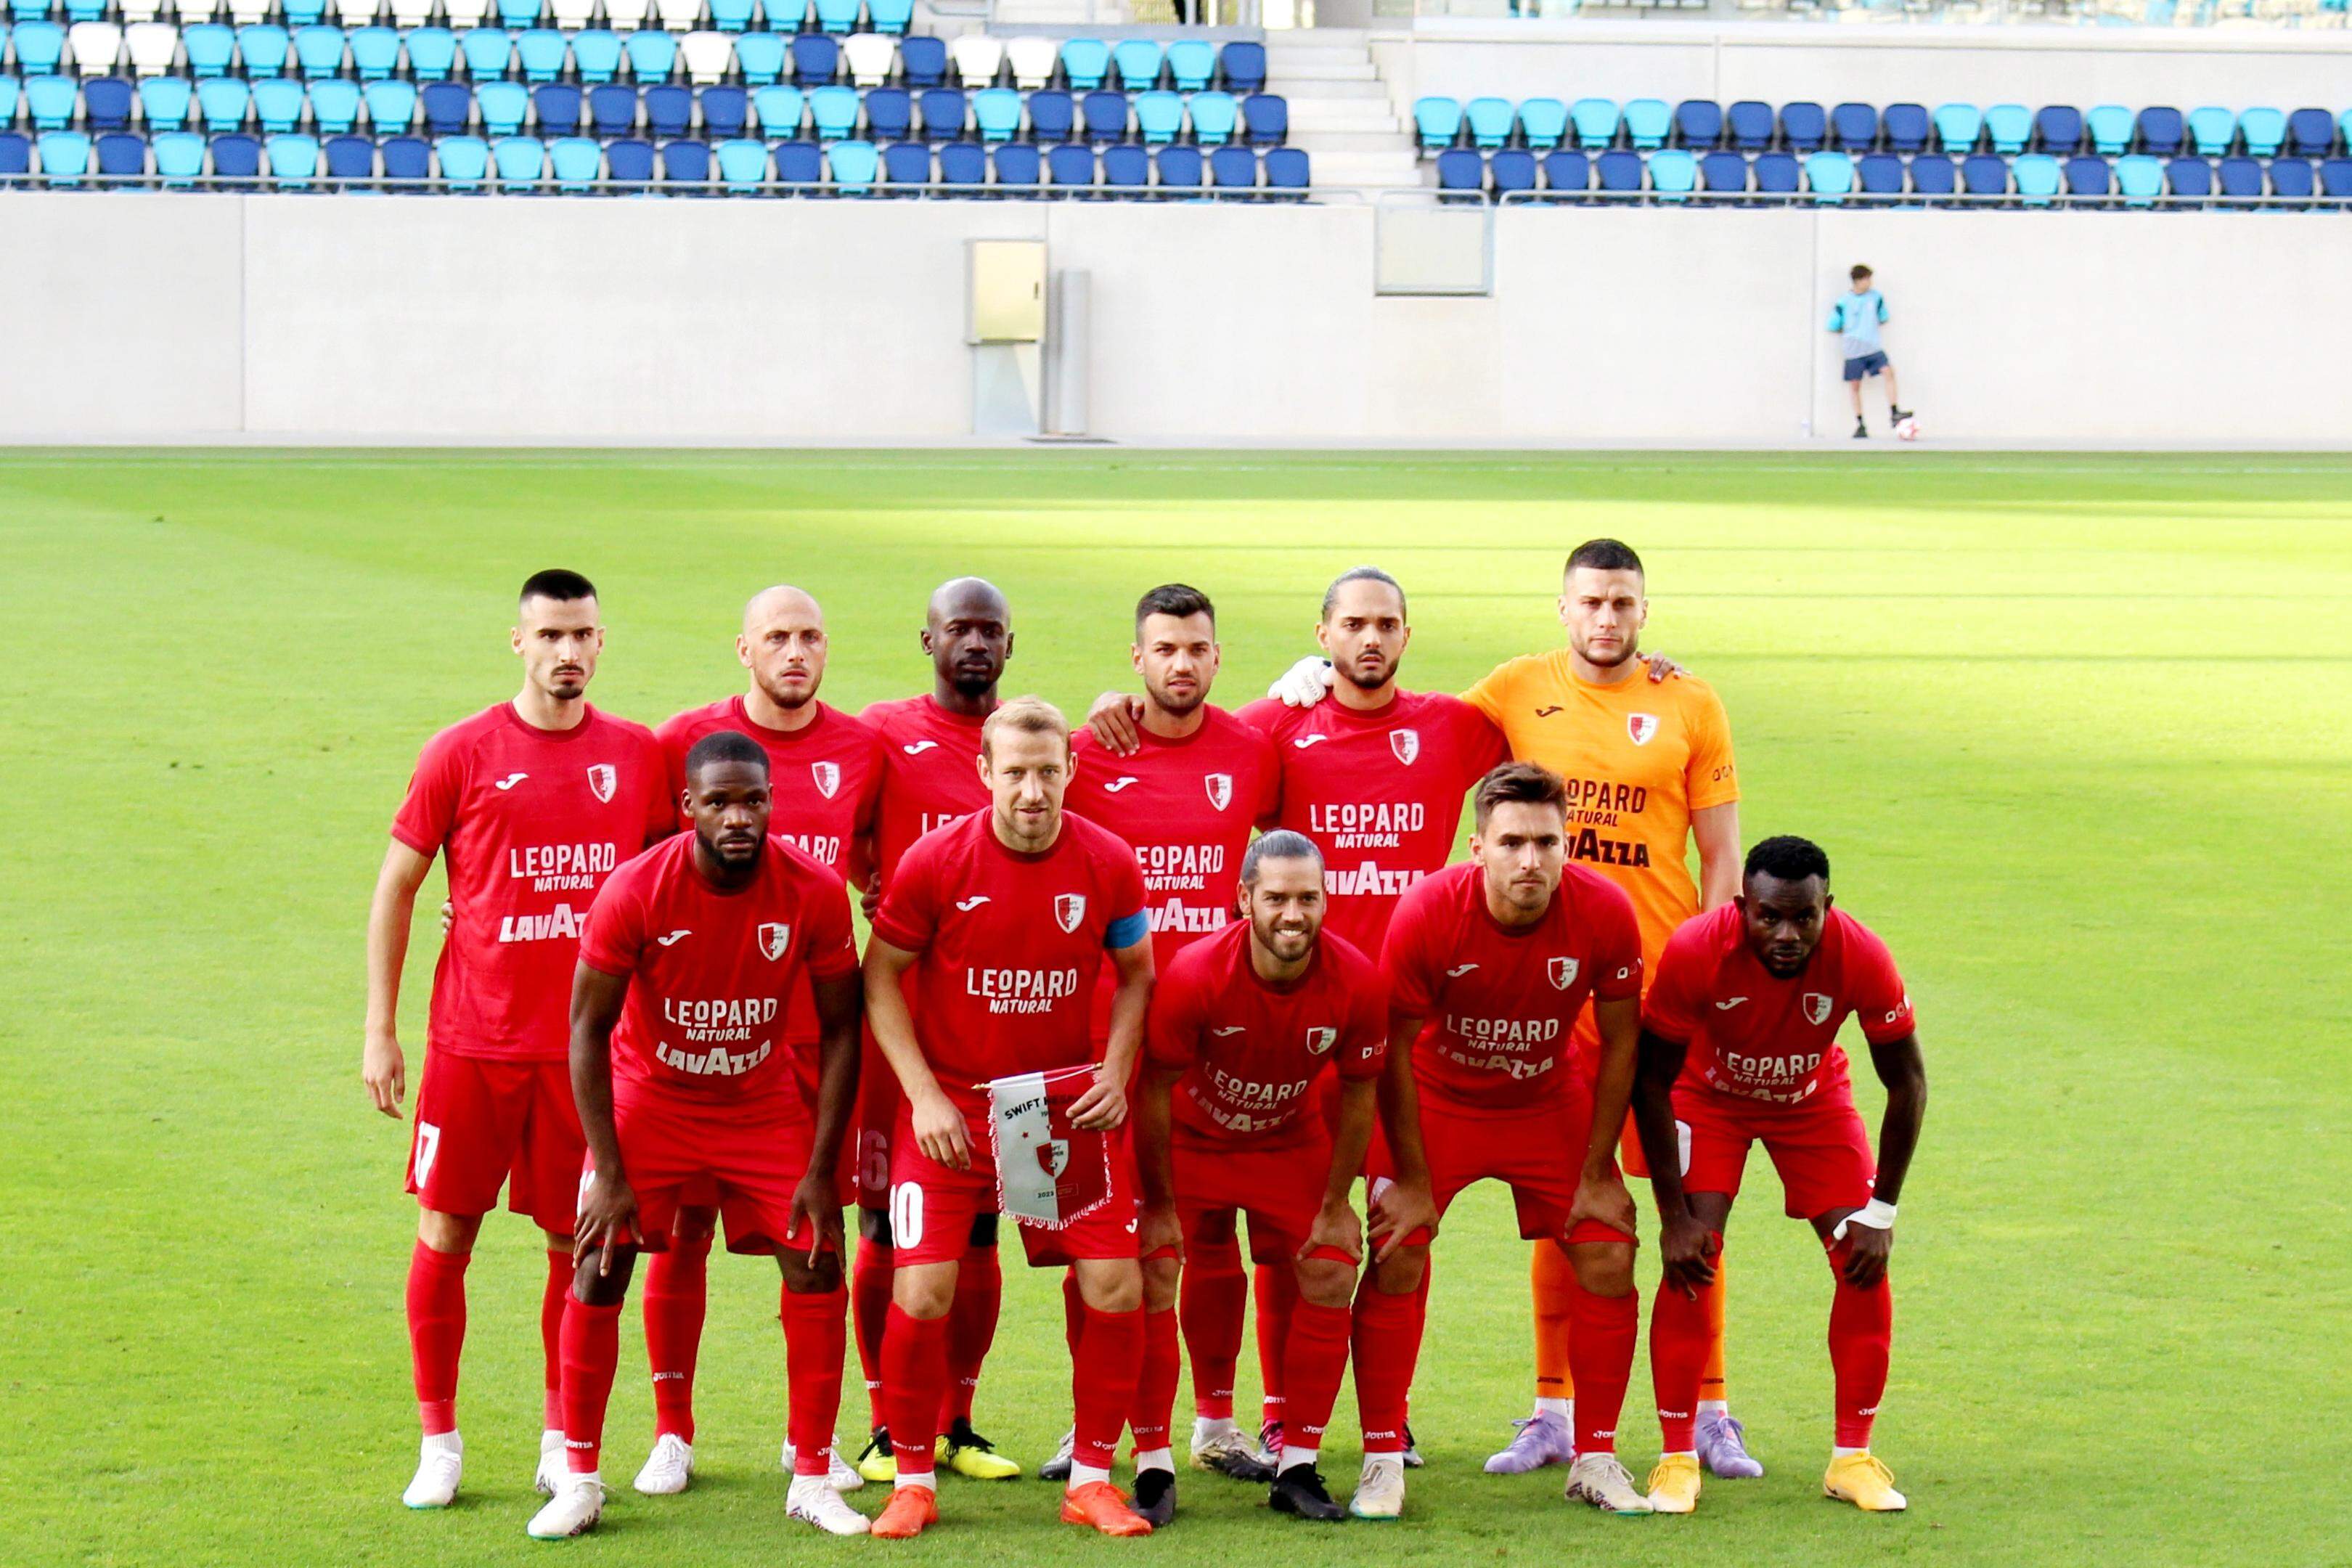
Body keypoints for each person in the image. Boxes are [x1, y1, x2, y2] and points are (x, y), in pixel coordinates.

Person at [364, 569, 669, 1511]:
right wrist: (381, 1031)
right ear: (518, 641)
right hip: (470, 1047)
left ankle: (557, 1441)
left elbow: (667, 894)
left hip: (582, 1058)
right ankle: (439, 1443)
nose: (567, 653)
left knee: (572, 1247)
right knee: (446, 1231)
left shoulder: (638, 756)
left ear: (601, 641)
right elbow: (397, 887)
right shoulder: (460, 752)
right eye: (551, 636)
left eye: (582, 635)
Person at [1456, 539, 1754, 1482]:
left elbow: (1720, 858)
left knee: (1690, 1210)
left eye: (1623, 602)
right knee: (1565, 1206)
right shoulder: (1514, 690)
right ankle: (1554, 1411)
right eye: (1591, 601)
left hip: (1665, 1001)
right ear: (1562, 607)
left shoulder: (1690, 702)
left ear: (1644, 610)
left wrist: (1712, 976)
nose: (1607, 619)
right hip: (1558, 1004)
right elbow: (1407, 734)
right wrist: (1308, 683)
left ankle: (1708, 1411)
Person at [528, 732, 869, 1539]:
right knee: (600, 1264)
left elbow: (843, 1029)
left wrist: (823, 1170)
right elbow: (585, 1032)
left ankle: (814, 1477)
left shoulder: (813, 894)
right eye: (718, 802)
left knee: (818, 1258)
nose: (738, 816)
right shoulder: (635, 891)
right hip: (654, 1101)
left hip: (758, 1102)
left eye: (752, 799)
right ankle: (578, 1477)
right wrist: (608, 1172)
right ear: (689, 809)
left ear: (772, 801)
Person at [860, 698, 1157, 1539]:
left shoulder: (1107, 861)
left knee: (1114, 1283)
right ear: (985, 771)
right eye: (1016, 772)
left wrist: (1116, 1069)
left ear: (1070, 769)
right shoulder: (935, 862)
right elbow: (881, 977)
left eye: (1048, 771)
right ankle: (913, 1478)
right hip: (955, 1107)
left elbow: (1136, 974)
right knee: (923, 1291)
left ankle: (1093, 1480)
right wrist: (922, 1095)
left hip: (1056, 1111)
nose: (1033, 790)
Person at [1034, 584, 1281, 1501]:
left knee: (1209, 1231)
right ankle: (1091, 1421)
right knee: (1099, 1241)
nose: (1182, 663)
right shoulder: (1090, 752)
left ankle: (1216, 1423)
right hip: (1106, 1042)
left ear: (1218, 660)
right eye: (1164, 649)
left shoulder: (1254, 750)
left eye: (1198, 649)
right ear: (1135, 659)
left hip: (1220, 1038)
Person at [634, 585, 883, 1496]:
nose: (794, 651)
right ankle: (672, 1432)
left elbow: (899, 836)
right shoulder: (682, 741)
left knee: (813, 1235)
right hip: (702, 1038)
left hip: (814, 1034)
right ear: (743, 649)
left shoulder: (866, 743)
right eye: (776, 636)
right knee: (681, 1232)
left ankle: (803, 1447)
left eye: (811, 635)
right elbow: (637, 870)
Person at [1360, 762, 1654, 1519]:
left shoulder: (1605, 912)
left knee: (1609, 1246)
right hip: (1437, 1097)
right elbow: (1391, 1050)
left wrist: (1599, 1170)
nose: (1531, 860)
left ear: (1568, 845)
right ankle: (1382, 1457)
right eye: (1513, 842)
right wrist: (1414, 1180)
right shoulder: (1429, 910)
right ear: (1477, 847)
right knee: (1397, 1246)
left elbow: (1622, 1045)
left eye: (1547, 843)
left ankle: (1595, 1456)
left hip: (1544, 1098)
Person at [1632, 836, 1927, 1515]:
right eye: (1770, 917)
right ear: (1742, 908)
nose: (1787, 934)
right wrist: (1674, 1217)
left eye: (1805, 917)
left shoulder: (1862, 954)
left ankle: (1852, 1459)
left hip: (1812, 1103)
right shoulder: (1696, 948)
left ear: (1829, 907)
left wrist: (1881, 1212)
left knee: (1861, 1256)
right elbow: (1650, 1083)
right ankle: (1677, 1460)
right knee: (1693, 1256)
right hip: (1708, 1100)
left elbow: (1907, 1083)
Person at [1133, 831, 1387, 1524]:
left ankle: (1298, 1463)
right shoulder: (1194, 974)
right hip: (1191, 1142)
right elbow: (1153, 1090)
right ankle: (1152, 1465)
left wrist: (1338, 1204)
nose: (1293, 914)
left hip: (1287, 1140)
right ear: (1245, 898)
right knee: (1153, 1267)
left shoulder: (1357, 978)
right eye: (1276, 898)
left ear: (1326, 899)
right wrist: (1156, 1203)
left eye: (1308, 898)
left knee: (1333, 1265)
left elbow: (1361, 1091)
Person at [847, 577, 1024, 1484]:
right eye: (960, 629)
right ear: (928, 640)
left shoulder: (1030, 740)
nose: (975, 644)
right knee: (886, 1222)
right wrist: (867, 886)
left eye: (991, 631)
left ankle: (958, 1419)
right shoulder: (881, 731)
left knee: (984, 1225)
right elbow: (826, 821)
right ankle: (888, 1424)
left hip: (1001, 1030)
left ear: (1009, 644)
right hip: (903, 1028)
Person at [1829, 264, 1914, 439]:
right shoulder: (1844, 302)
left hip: (1872, 346)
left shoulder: (1875, 298)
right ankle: (1860, 423)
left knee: (1888, 372)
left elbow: (1883, 317)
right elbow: (1833, 325)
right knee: (1855, 386)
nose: (1869, 282)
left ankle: (1894, 411)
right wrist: (1851, 334)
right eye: (1866, 279)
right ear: (1858, 281)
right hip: (1853, 350)